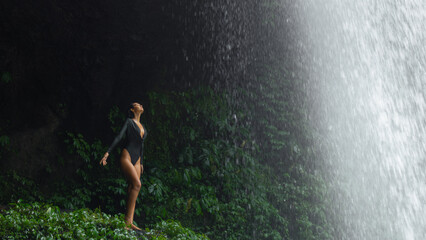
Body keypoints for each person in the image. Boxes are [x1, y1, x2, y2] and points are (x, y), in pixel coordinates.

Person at [99, 102, 147, 230]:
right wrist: (107, 153)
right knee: (137, 184)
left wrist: (141, 162)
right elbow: (119, 136)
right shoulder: (129, 122)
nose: (141, 105)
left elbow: (141, 146)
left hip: (137, 160)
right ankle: (127, 222)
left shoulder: (142, 126)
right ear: (132, 109)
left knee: (132, 187)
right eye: (137, 104)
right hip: (127, 156)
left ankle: (129, 221)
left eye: (141, 104)